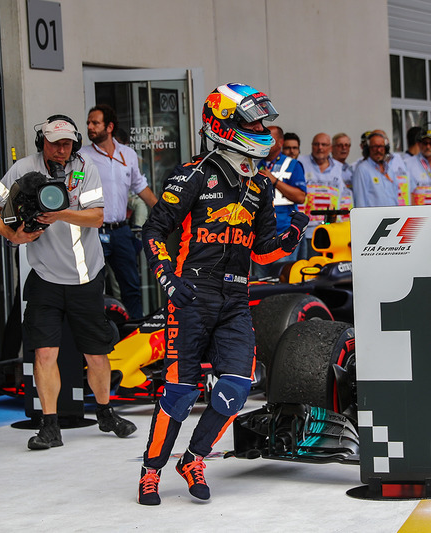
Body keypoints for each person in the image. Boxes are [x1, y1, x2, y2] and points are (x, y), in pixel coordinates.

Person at [137, 83, 309, 505]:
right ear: (223, 125)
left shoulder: (260, 186)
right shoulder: (193, 174)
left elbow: (266, 250)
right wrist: (168, 280)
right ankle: (151, 470)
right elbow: (154, 229)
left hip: (235, 298)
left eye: (262, 121)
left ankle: (193, 458)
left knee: (235, 387)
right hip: (191, 295)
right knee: (180, 393)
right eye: (252, 121)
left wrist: (294, 233)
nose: (262, 128)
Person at [0, 114, 137, 450]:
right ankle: (49, 426)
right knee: (44, 353)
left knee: (96, 354)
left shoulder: (87, 168)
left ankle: (106, 412)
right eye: (54, 142)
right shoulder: (24, 168)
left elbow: (97, 217)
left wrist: (59, 212)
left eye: (67, 143)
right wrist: (13, 234)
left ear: (74, 144)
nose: (60, 149)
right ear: (43, 141)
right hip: (45, 279)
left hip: (85, 277)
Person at [82, 104, 157, 319]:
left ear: (109, 126)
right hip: (94, 231)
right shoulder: (83, 156)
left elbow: (140, 186)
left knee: (131, 286)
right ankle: (98, 335)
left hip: (121, 231)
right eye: (89, 123)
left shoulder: (128, 154)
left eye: (95, 123)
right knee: (94, 287)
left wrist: (164, 212)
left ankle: (134, 331)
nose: (90, 127)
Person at [253, 125, 307, 278]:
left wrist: (274, 181)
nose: (265, 141)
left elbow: (300, 197)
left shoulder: (293, 165)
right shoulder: (253, 164)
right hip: (260, 234)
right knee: (261, 281)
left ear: (280, 142)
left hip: (285, 232)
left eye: (270, 138)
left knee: (283, 279)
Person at [298, 132, 345, 259]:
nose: (320, 148)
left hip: (333, 230)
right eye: (316, 144)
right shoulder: (300, 162)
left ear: (330, 147)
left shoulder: (340, 168)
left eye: (324, 145)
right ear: (312, 146)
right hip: (308, 231)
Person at [352, 131, 400, 207]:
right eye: (374, 147)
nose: (378, 150)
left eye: (381, 146)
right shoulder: (362, 169)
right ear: (368, 149)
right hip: (373, 218)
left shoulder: (389, 170)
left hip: (392, 216)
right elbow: (360, 201)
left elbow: (395, 197)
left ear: (386, 148)